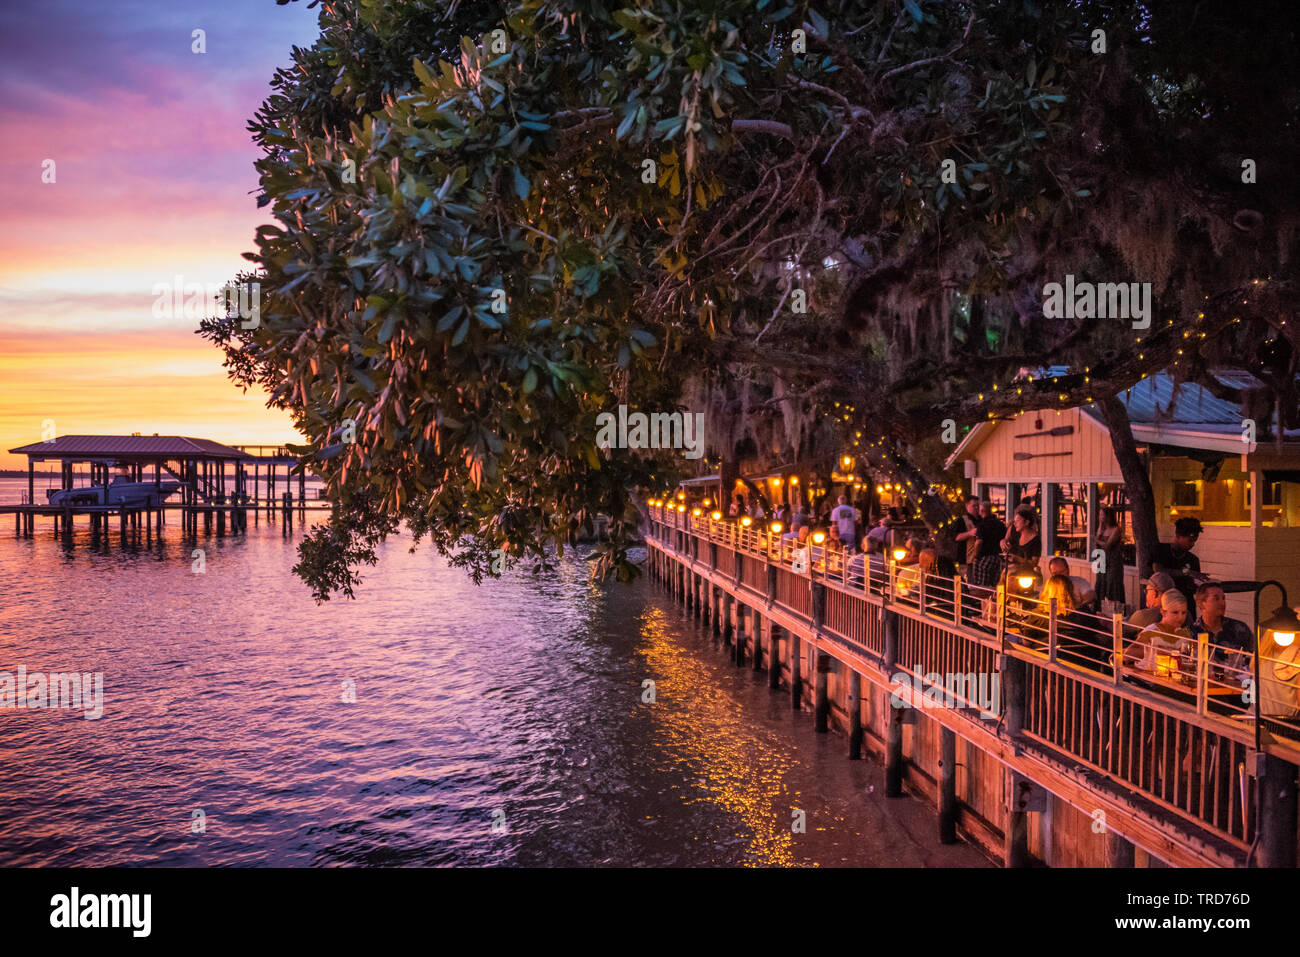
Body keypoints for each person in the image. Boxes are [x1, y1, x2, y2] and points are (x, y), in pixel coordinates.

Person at [1190, 581, 1254, 680]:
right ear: (1201, 604)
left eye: (1223, 598)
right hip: (1202, 687)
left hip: (1235, 688)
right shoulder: (1191, 632)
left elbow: (1252, 661)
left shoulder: (1240, 629)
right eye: (1216, 599)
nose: (1222, 603)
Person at [1120, 589, 1194, 675]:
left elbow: (1192, 658)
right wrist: (1161, 652)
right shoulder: (1151, 631)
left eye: (1183, 613)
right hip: (1148, 679)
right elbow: (1128, 653)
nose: (1180, 617)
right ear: (1163, 612)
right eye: (1175, 612)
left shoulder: (1184, 634)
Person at [969, 501, 1007, 590]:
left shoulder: (981, 525)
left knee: (982, 588)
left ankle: (984, 603)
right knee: (996, 587)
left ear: (982, 511)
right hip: (998, 559)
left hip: (984, 559)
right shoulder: (1001, 524)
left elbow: (979, 542)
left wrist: (975, 556)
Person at [1095, 507, 1127, 604]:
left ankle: (1114, 610)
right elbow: (1098, 540)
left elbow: (1107, 545)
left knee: (1112, 584)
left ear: (1108, 516)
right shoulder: (1103, 529)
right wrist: (1100, 525)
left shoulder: (1116, 529)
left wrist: (1095, 540)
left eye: (1102, 515)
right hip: (1102, 560)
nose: (1100, 517)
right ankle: (1100, 609)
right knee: (1101, 583)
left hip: (1113, 561)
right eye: (1099, 515)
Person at [955, 496, 983, 569]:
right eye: (974, 506)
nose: (977, 508)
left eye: (978, 505)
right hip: (966, 561)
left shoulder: (982, 520)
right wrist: (969, 533)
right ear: (967, 506)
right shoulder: (961, 520)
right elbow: (956, 537)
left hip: (981, 560)